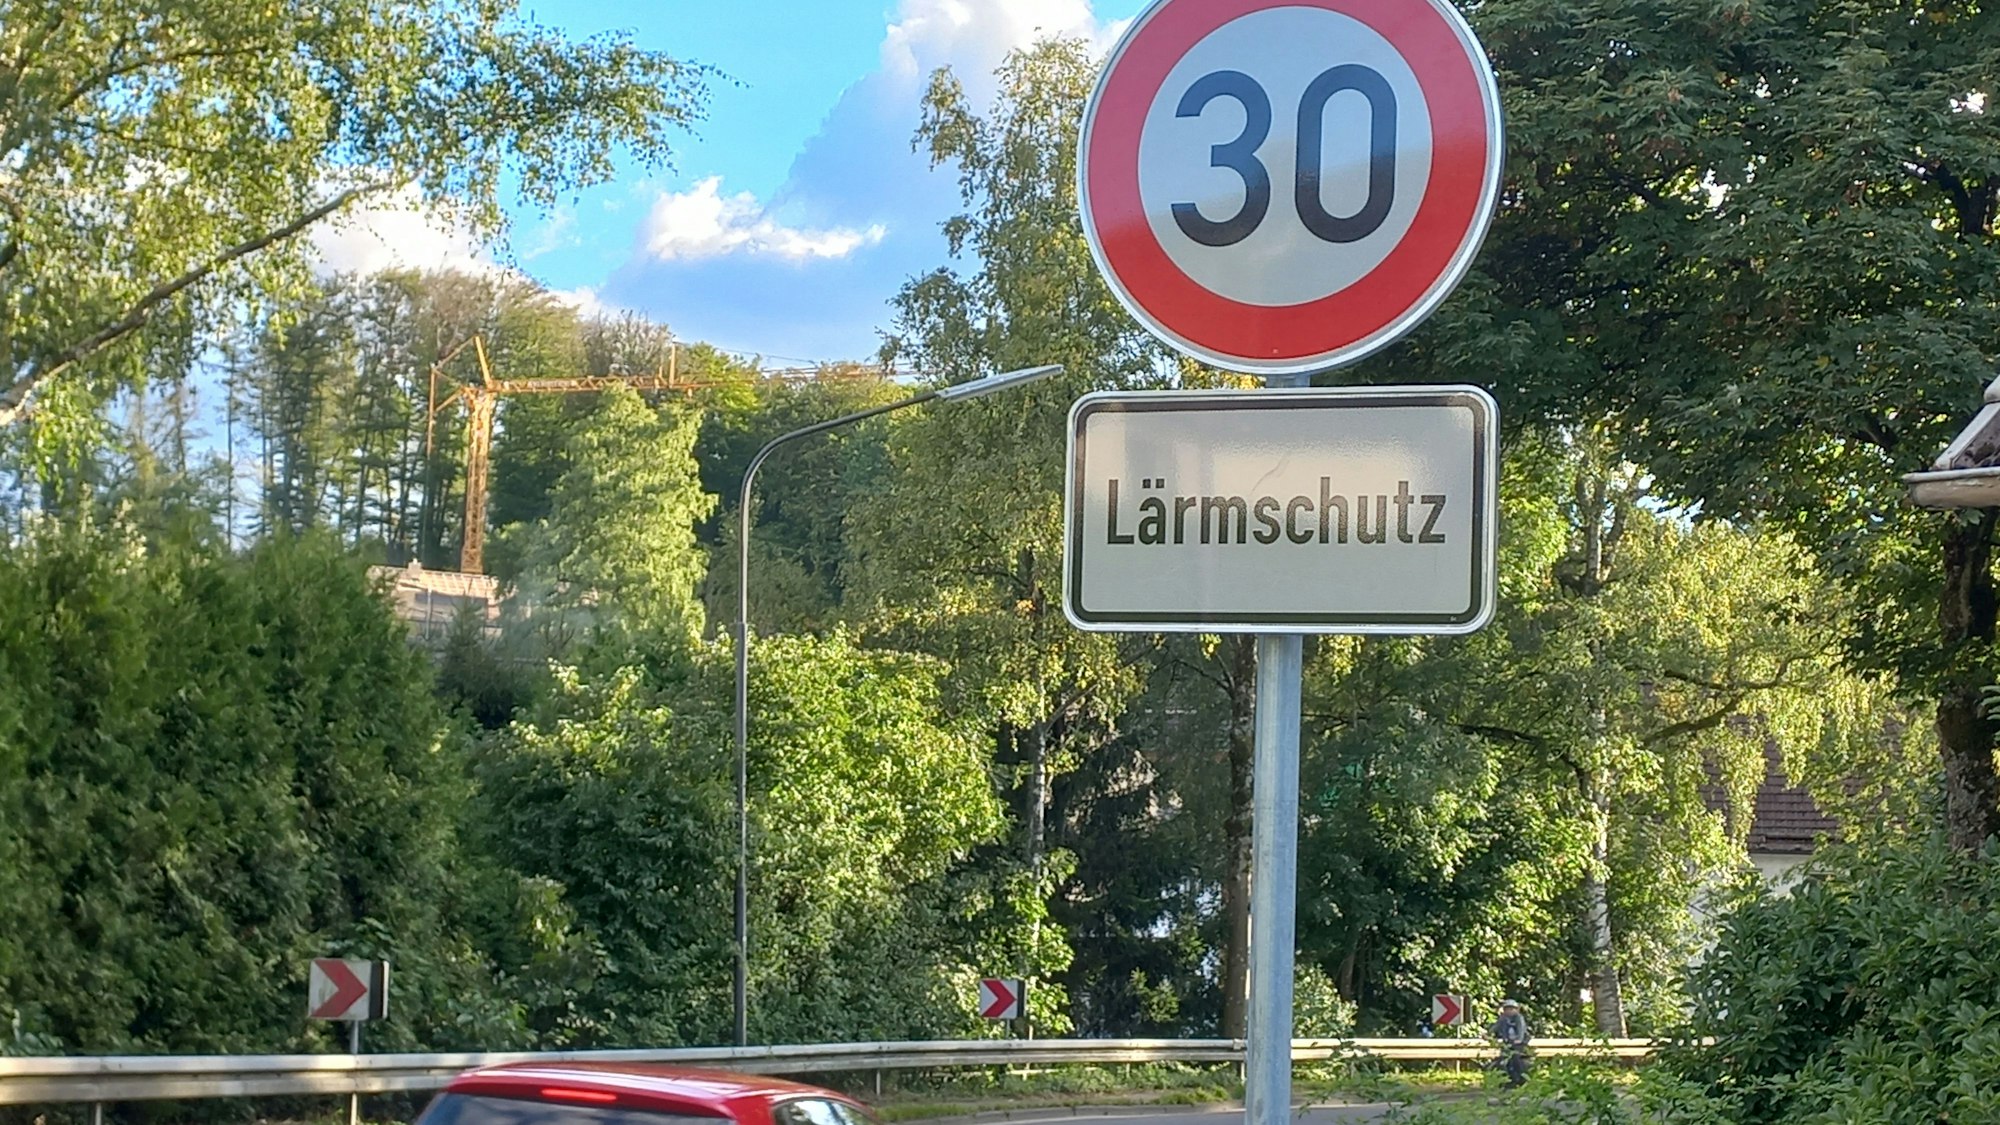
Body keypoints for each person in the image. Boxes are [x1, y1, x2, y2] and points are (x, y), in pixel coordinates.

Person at [1490, 998, 1531, 1088]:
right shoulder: (1503, 1019)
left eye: (1512, 1009)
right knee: (1504, 1060)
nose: (1509, 1011)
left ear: (1516, 1009)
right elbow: (1495, 1027)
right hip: (1508, 1043)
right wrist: (1488, 1034)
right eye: (1507, 1009)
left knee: (1517, 1059)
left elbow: (1521, 1030)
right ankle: (1508, 1079)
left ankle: (1521, 1079)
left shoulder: (1519, 1018)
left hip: (1519, 1044)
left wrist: (1518, 1040)